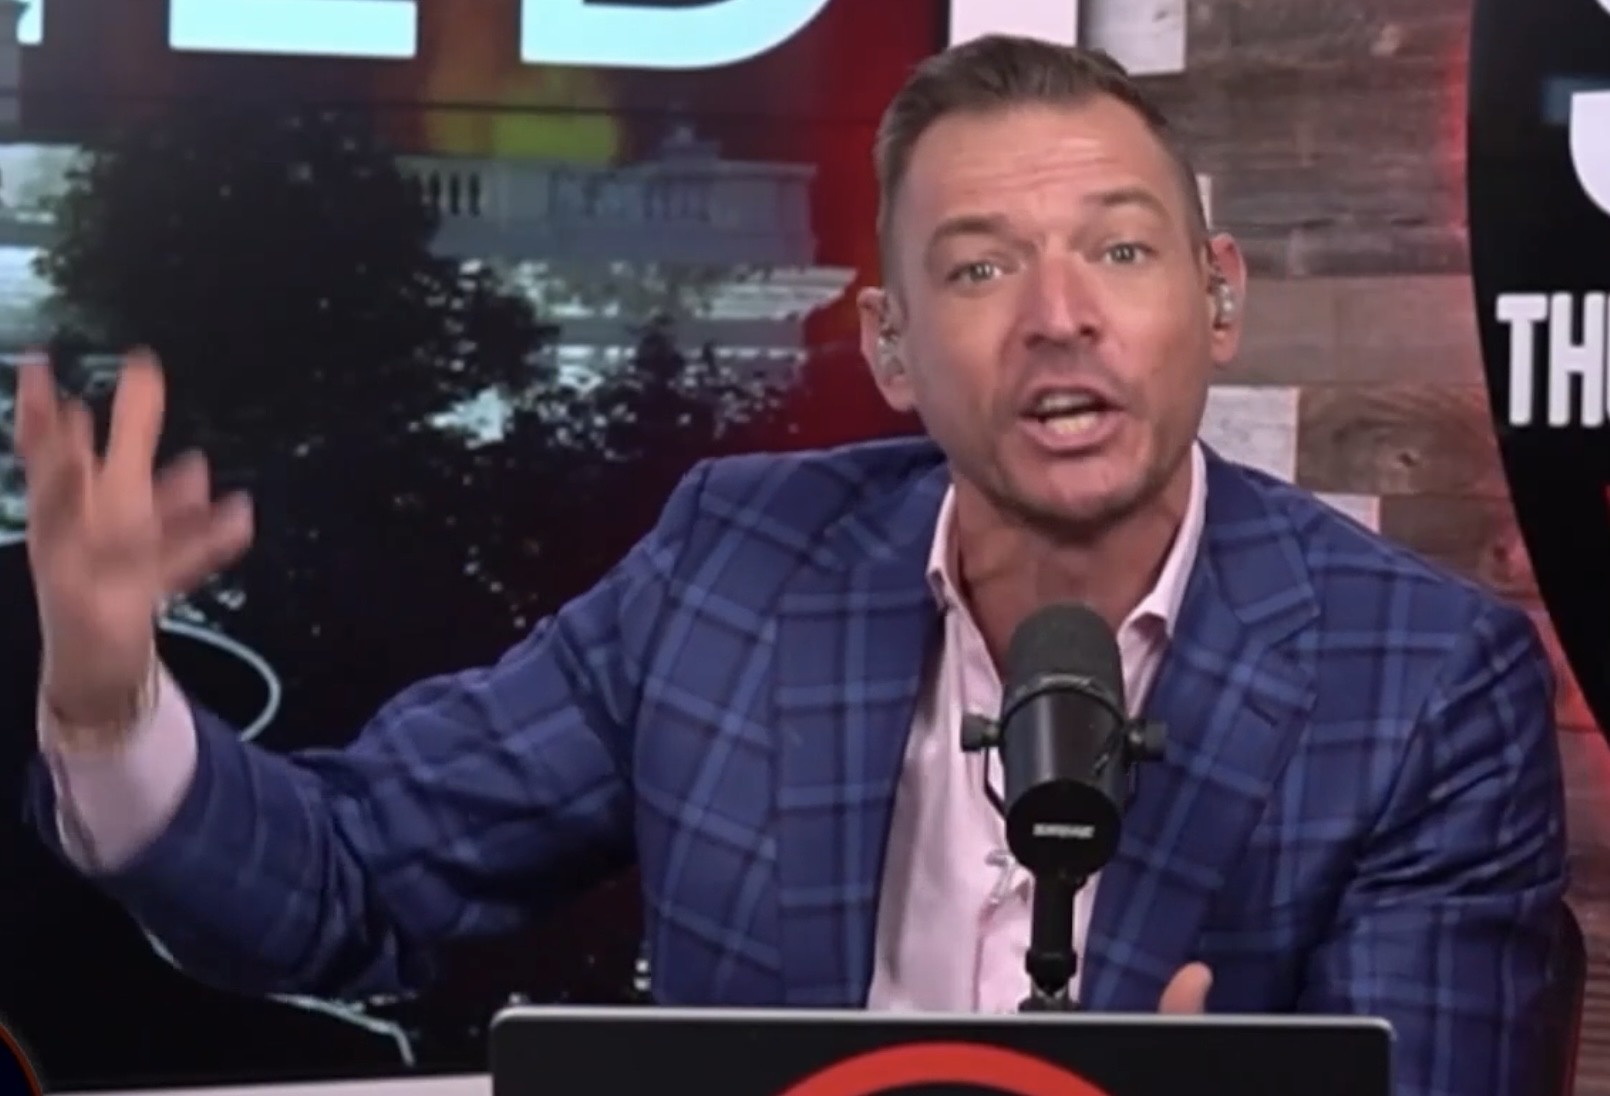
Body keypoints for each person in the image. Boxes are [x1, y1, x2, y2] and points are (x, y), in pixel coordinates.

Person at [15, 33, 1566, 1096]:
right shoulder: (737, 566)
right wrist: (106, 705)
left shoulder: (1419, 681)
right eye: (978, 267)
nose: (1059, 316)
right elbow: (352, 876)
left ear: (1216, 299)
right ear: (889, 346)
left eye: (1119, 248)